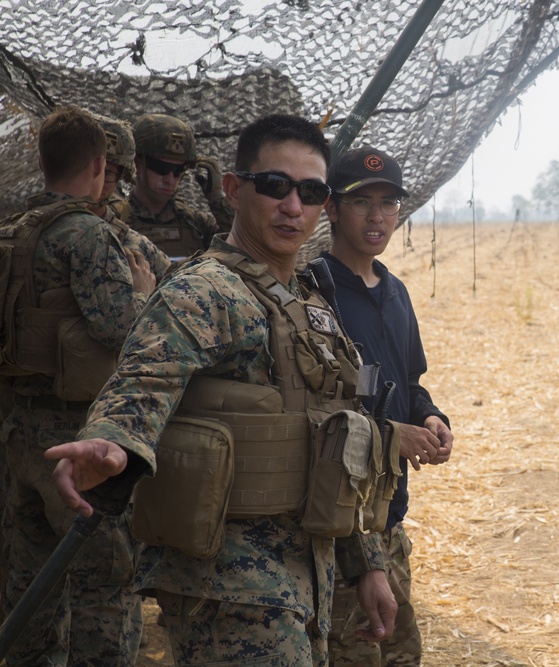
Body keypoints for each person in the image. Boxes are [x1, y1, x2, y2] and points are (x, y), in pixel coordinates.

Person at [45, 114, 397, 665]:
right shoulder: (206, 291)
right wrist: (112, 439)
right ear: (234, 189)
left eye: (310, 192)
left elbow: (334, 434)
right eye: (275, 186)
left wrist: (367, 561)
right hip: (229, 588)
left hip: (307, 576)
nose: (292, 206)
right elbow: (144, 379)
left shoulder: (307, 299)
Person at [0, 105, 156, 666]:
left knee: (29, 591)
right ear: (98, 164)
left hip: (18, 436)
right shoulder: (87, 236)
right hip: (77, 444)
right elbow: (121, 328)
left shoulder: (14, 233)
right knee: (104, 590)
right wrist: (142, 292)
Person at [313, 146, 454, 666]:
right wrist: (394, 433)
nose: (377, 217)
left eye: (388, 203)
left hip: (388, 517)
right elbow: (319, 412)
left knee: (401, 653)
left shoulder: (394, 292)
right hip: (338, 524)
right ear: (331, 209)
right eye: (361, 202)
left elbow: (408, 382)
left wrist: (431, 417)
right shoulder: (314, 292)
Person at [125, 113, 233, 260]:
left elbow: (241, 249)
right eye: (161, 168)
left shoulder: (196, 224)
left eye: (178, 170)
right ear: (138, 162)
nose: (170, 179)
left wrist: (218, 200)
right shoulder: (117, 221)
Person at [93, 115, 172, 281]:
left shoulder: (134, 246)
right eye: (85, 168)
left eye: (107, 174)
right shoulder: (31, 230)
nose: (95, 180)